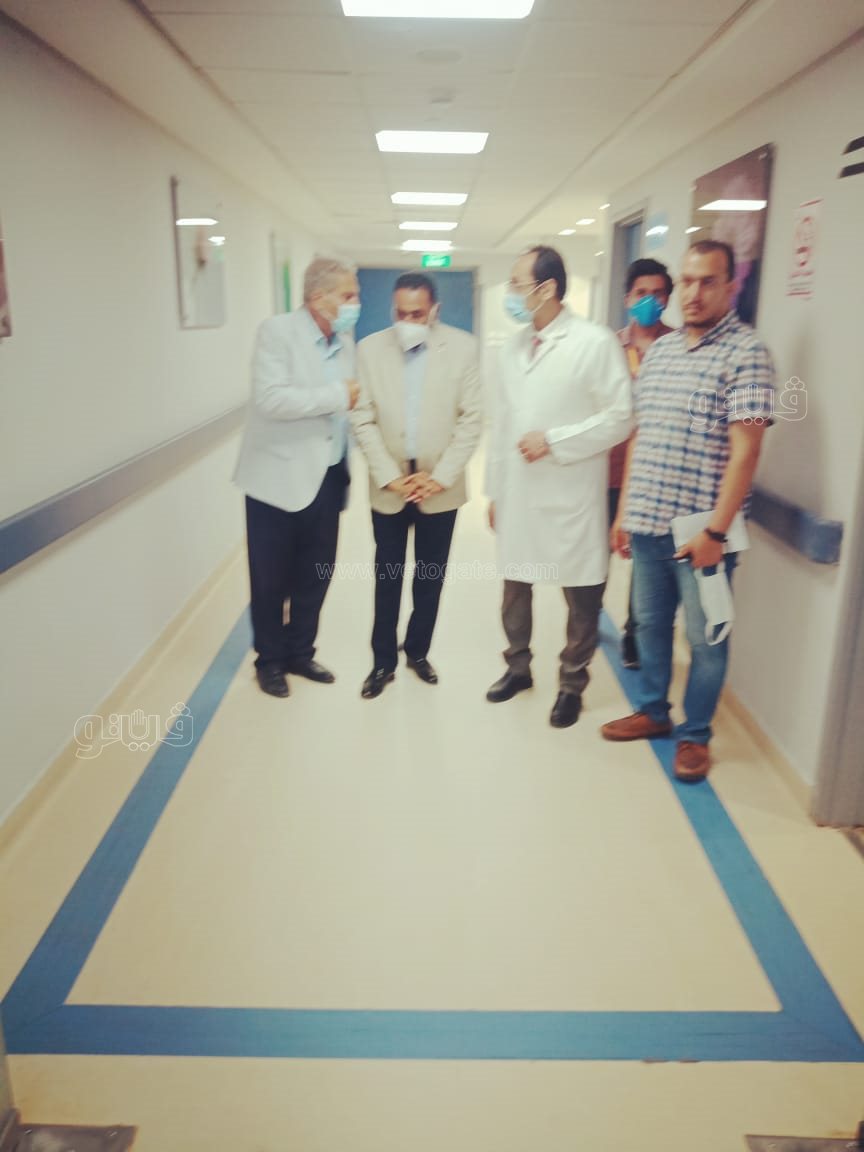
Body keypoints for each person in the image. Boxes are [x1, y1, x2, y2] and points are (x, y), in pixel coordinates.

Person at [602, 240, 775, 781]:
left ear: (730, 286)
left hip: (703, 533)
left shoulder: (747, 353)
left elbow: (746, 451)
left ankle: (695, 735)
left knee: (706, 639)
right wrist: (624, 513)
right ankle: (653, 711)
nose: (694, 293)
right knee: (651, 627)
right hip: (648, 522)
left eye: (708, 281)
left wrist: (717, 534)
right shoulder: (661, 352)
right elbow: (640, 436)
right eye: (689, 280)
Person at [486, 245, 633, 728]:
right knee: (515, 590)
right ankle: (517, 669)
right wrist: (494, 491)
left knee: (582, 598)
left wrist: (554, 440)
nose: (511, 293)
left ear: (546, 288)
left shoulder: (594, 342)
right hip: (520, 493)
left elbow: (620, 418)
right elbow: (502, 424)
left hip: (571, 494)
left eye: (517, 284)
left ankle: (571, 684)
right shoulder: (512, 348)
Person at [233, 257, 360, 698]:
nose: (355, 304)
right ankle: (269, 661)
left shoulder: (345, 341)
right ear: (317, 297)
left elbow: (351, 407)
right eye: (348, 295)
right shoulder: (277, 332)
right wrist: (336, 395)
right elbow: (271, 399)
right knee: (270, 580)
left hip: (329, 477)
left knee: (315, 575)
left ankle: (301, 653)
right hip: (277, 481)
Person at [350, 272, 482, 699]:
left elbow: (471, 419)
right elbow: (362, 417)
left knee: (430, 577)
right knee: (387, 576)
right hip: (389, 485)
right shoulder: (370, 349)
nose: (408, 321)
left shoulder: (463, 348)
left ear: (434, 311)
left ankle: (418, 652)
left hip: (439, 487)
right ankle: (382, 662)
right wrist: (388, 475)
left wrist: (439, 477)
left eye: (417, 314)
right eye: (401, 313)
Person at [610, 258, 674, 669]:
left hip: (653, 474)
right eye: (641, 293)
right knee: (596, 552)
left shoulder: (679, 346)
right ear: (627, 298)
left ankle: (633, 633)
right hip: (606, 470)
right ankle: (586, 619)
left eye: (657, 293)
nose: (649, 300)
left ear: (667, 298)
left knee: (644, 564)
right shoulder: (608, 347)